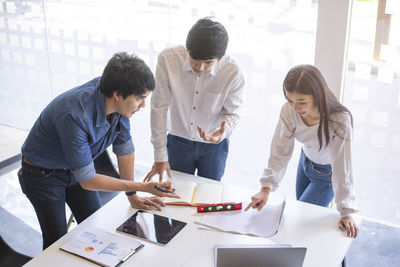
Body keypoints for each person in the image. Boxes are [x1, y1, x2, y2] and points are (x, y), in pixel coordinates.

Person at [18, 52, 179, 249]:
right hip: (42, 175)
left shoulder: (119, 103)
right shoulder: (74, 114)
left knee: (94, 227)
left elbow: (124, 150)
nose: (144, 105)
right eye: (140, 98)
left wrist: (133, 196)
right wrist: (143, 187)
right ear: (118, 94)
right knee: (56, 240)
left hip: (74, 169)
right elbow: (87, 180)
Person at [245, 64, 359, 238]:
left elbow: (343, 166)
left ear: (318, 96)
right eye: (290, 100)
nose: (296, 108)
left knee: (299, 225)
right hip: (305, 163)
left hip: (326, 176)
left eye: (301, 102)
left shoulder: (339, 120)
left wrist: (346, 211)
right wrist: (266, 188)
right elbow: (280, 151)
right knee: (304, 221)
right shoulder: (289, 111)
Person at [145, 17, 245, 182]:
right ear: (188, 48)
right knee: (177, 192)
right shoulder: (168, 59)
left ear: (220, 58)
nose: (200, 67)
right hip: (178, 142)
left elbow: (233, 114)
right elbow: (158, 108)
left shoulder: (233, 72)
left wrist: (221, 134)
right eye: (195, 60)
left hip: (214, 147)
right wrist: (159, 155)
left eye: (208, 63)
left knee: (210, 194)